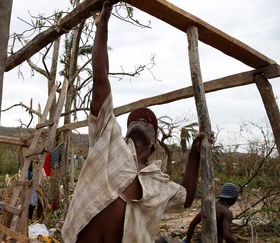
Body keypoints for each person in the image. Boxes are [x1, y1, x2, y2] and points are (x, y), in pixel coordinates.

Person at [61, 2, 212, 242]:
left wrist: (194, 154)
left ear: (154, 144)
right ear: (126, 131)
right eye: (136, 119)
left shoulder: (159, 184)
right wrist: (103, 24)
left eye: (149, 122)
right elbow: (101, 79)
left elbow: (186, 198)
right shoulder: (108, 141)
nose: (142, 119)